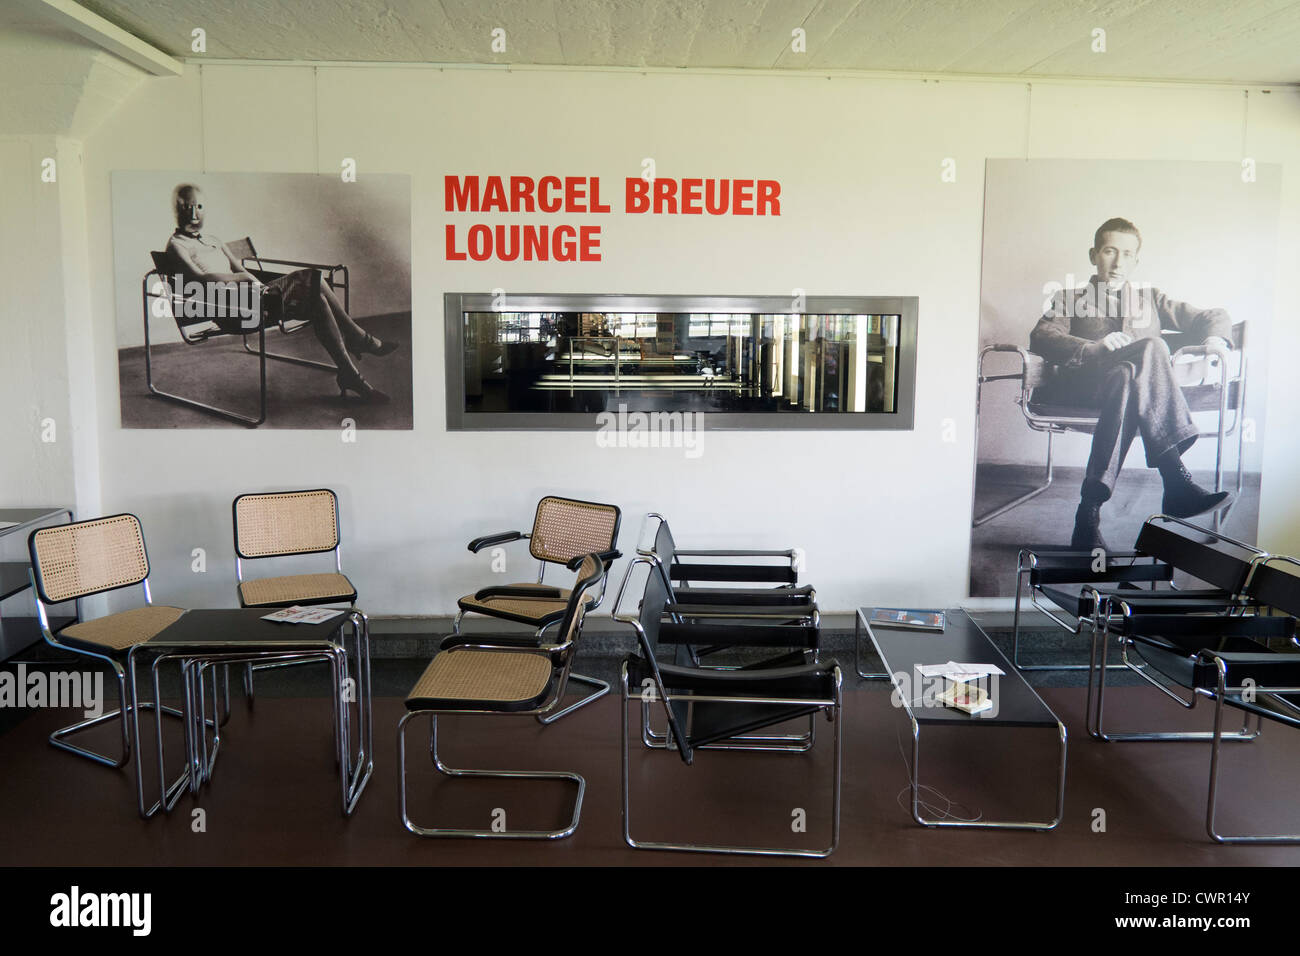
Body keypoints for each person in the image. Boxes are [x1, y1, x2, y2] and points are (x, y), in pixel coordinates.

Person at [1030, 217, 1233, 549]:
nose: (1118, 262)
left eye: (1127, 254)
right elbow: (1042, 335)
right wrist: (1090, 347)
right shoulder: (1069, 297)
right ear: (1094, 254)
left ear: (1136, 261)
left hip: (1125, 396)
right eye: (1110, 251)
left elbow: (1212, 315)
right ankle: (1175, 478)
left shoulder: (1150, 299)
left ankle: (1088, 513)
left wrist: (1215, 341)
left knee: (1126, 377)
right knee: (1153, 346)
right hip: (1085, 389)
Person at [164, 183, 398, 403]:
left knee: (317, 300)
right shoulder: (177, 245)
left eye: (199, 206)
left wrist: (258, 286)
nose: (194, 213)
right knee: (313, 277)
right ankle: (357, 337)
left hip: (254, 301)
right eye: (186, 206)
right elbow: (201, 279)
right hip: (231, 310)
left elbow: (240, 268)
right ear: (177, 210)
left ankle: (349, 374)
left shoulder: (214, 240)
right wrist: (243, 280)